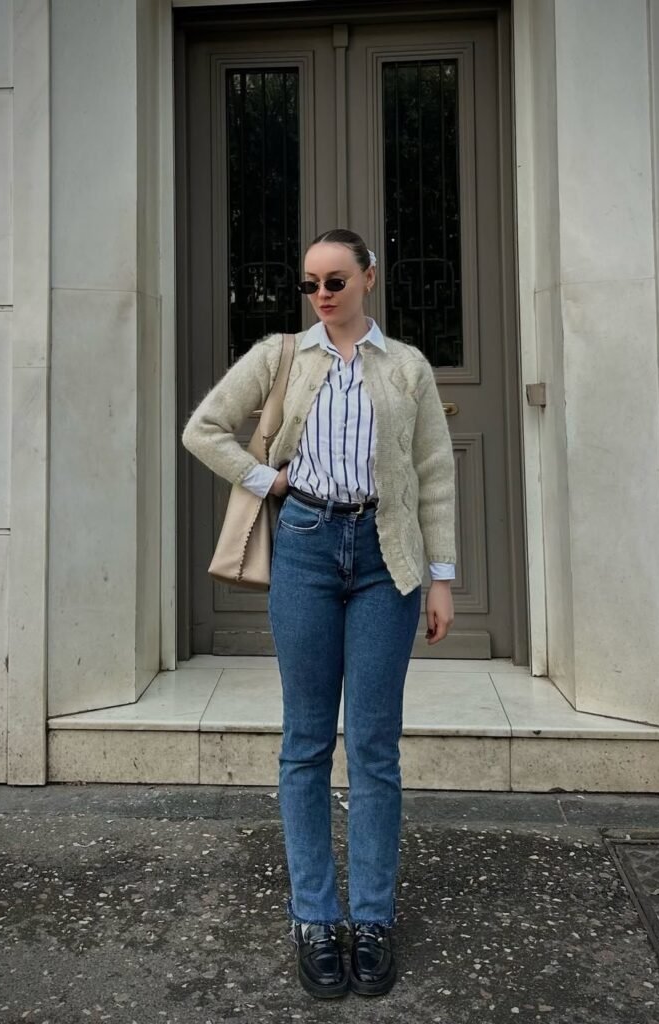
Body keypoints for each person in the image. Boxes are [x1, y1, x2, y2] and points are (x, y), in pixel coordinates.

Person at [181, 228, 456, 1000]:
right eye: (310, 283)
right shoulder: (280, 356)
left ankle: (369, 918)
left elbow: (433, 474)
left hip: (384, 557)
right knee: (304, 741)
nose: (323, 294)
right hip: (303, 546)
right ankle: (314, 915)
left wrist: (440, 578)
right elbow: (202, 428)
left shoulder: (406, 368)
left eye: (336, 279)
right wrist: (266, 479)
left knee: (372, 745)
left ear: (369, 277)